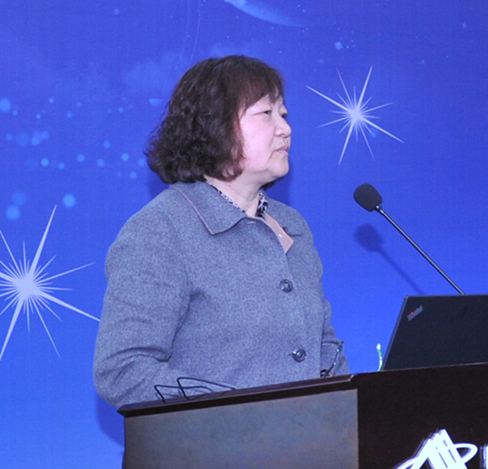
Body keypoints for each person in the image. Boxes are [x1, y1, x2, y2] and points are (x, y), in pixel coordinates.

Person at [93, 55, 348, 409]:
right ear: (215, 125)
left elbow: (323, 346)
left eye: (284, 114)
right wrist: (236, 413)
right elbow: (122, 370)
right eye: (266, 113)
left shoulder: (292, 226)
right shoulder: (161, 230)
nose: (285, 129)